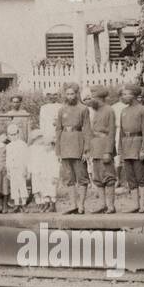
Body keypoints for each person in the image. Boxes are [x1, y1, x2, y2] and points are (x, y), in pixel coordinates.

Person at [54, 83, 89, 214]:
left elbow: (87, 130)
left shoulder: (83, 109)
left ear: (77, 94)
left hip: (78, 143)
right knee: (69, 178)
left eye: (72, 94)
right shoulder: (62, 110)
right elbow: (58, 130)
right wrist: (58, 150)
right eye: (67, 94)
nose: (70, 96)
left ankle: (81, 205)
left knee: (82, 176)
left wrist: (86, 150)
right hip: (65, 145)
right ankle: (73, 204)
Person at [116, 83, 144, 213]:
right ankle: (135, 204)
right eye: (123, 94)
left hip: (138, 145)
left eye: (126, 94)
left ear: (134, 95)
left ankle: (143, 205)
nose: (123, 97)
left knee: (141, 176)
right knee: (130, 177)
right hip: (126, 147)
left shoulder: (143, 110)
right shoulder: (123, 111)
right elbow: (121, 133)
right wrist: (120, 150)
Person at [86, 87, 117, 214]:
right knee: (98, 177)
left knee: (108, 177)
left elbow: (111, 132)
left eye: (93, 97)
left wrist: (108, 151)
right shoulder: (95, 111)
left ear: (100, 98)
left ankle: (111, 206)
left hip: (104, 147)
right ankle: (102, 204)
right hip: (96, 147)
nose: (90, 100)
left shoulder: (109, 110)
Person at [27, 130, 57, 211]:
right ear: (35, 139)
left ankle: (47, 204)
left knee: (45, 189)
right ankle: (40, 204)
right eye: (39, 138)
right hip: (35, 171)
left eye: (41, 138)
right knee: (36, 189)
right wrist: (29, 171)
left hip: (43, 172)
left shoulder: (44, 150)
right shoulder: (31, 149)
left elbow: (48, 163)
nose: (41, 140)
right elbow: (29, 160)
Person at [4, 124, 30, 210]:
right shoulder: (8, 146)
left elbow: (26, 158)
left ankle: (24, 204)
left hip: (21, 168)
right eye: (11, 135)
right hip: (12, 169)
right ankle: (16, 204)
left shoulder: (23, 144)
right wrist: (8, 170)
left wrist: (26, 169)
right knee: (14, 186)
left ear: (18, 134)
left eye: (15, 134)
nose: (13, 136)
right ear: (8, 135)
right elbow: (7, 159)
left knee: (22, 185)